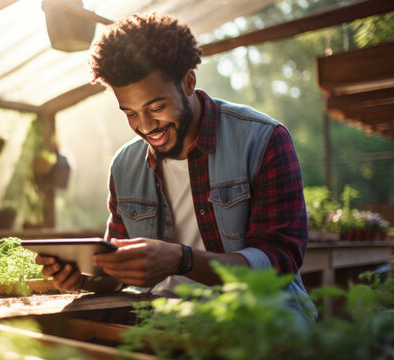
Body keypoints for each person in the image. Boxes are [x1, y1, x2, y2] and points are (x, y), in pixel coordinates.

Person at [36, 13, 316, 321]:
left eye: (156, 107)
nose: (145, 126)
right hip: (161, 317)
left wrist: (183, 261)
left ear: (188, 82)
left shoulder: (263, 140)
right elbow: (118, 275)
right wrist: (83, 281)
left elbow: (279, 263)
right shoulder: (125, 166)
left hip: (258, 317)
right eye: (129, 113)